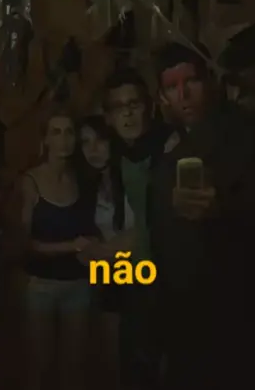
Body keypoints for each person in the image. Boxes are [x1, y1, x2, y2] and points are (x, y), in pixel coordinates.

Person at [150, 42, 255, 390]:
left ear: (209, 80)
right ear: (163, 96)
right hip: (185, 320)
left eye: (191, 82)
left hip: (241, 316)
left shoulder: (249, 135)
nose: (184, 95)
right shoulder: (166, 149)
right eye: (172, 87)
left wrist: (221, 208)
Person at [100, 68, 172, 390]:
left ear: (149, 107)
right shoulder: (117, 156)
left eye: (134, 104)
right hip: (137, 275)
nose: (127, 114)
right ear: (109, 117)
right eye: (119, 107)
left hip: (173, 274)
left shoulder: (169, 147)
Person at [19, 112, 98, 390]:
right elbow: (24, 243)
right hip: (42, 286)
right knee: (40, 366)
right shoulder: (30, 181)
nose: (63, 139)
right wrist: (70, 246)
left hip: (78, 284)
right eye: (56, 132)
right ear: (45, 139)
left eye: (69, 132)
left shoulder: (83, 178)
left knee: (74, 367)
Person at [76, 115, 135, 389]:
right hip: (110, 274)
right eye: (85, 142)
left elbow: (145, 229)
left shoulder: (132, 173)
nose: (93, 149)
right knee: (109, 355)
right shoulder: (88, 185)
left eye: (99, 140)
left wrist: (104, 249)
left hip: (143, 269)